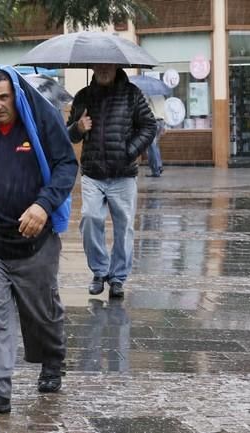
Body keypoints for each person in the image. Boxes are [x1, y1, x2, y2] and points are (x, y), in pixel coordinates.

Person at [0, 66, 78, 414]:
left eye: (3, 97)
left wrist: (44, 206)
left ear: (17, 95)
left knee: (41, 314)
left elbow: (66, 165)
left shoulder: (42, 120)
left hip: (34, 242)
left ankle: (53, 359)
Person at [67, 64, 156, 298]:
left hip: (123, 173)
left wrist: (131, 150)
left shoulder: (131, 94)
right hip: (93, 172)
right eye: (100, 66)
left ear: (116, 68)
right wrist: (78, 127)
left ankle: (117, 278)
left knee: (124, 227)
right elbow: (68, 134)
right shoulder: (83, 96)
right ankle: (99, 271)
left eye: (109, 66)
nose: (104, 70)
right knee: (90, 218)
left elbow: (149, 126)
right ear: (93, 67)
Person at [145, 95, 166, 178]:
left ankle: (156, 170)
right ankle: (159, 165)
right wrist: (164, 124)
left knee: (151, 146)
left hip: (153, 121)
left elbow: (145, 108)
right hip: (161, 122)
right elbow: (164, 109)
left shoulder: (149, 95)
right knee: (155, 145)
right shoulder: (161, 96)